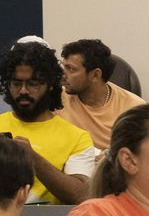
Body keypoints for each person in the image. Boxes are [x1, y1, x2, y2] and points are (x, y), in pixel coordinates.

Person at [2, 40, 97, 203]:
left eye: (33, 84)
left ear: (51, 85)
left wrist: (32, 158)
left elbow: (82, 196)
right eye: (16, 83)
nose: (23, 91)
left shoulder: (76, 138)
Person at [57, 38, 145, 149]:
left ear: (95, 75)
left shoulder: (133, 108)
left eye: (70, 69)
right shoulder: (57, 100)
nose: (62, 74)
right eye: (63, 66)